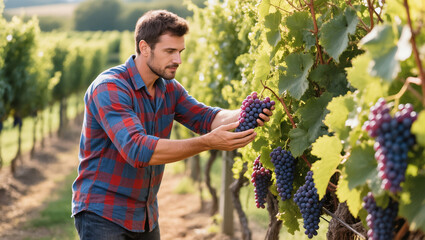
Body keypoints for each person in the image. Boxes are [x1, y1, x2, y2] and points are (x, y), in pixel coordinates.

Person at [71, 10, 274, 240]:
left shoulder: (169, 88)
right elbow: (138, 150)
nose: (178, 60)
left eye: (180, 51)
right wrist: (207, 142)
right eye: (170, 51)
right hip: (103, 213)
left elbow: (206, 117)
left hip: (145, 215)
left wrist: (249, 112)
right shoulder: (110, 88)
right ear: (144, 47)